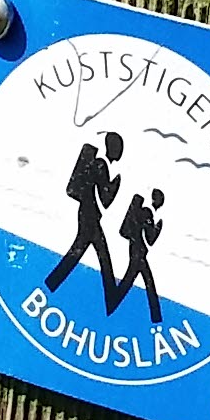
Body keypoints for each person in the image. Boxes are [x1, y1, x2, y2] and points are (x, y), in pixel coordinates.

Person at [41, 133, 125, 302]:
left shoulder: (100, 165)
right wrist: (115, 184)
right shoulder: (101, 165)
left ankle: (52, 283)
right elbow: (105, 199)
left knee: (85, 251)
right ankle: (111, 295)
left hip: (89, 214)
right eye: (118, 147)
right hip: (89, 215)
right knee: (97, 253)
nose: (120, 152)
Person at [108, 189, 168, 324]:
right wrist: (158, 227)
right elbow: (150, 238)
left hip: (135, 249)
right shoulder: (147, 213)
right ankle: (156, 316)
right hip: (138, 251)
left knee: (134, 280)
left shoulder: (143, 211)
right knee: (146, 281)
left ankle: (112, 303)